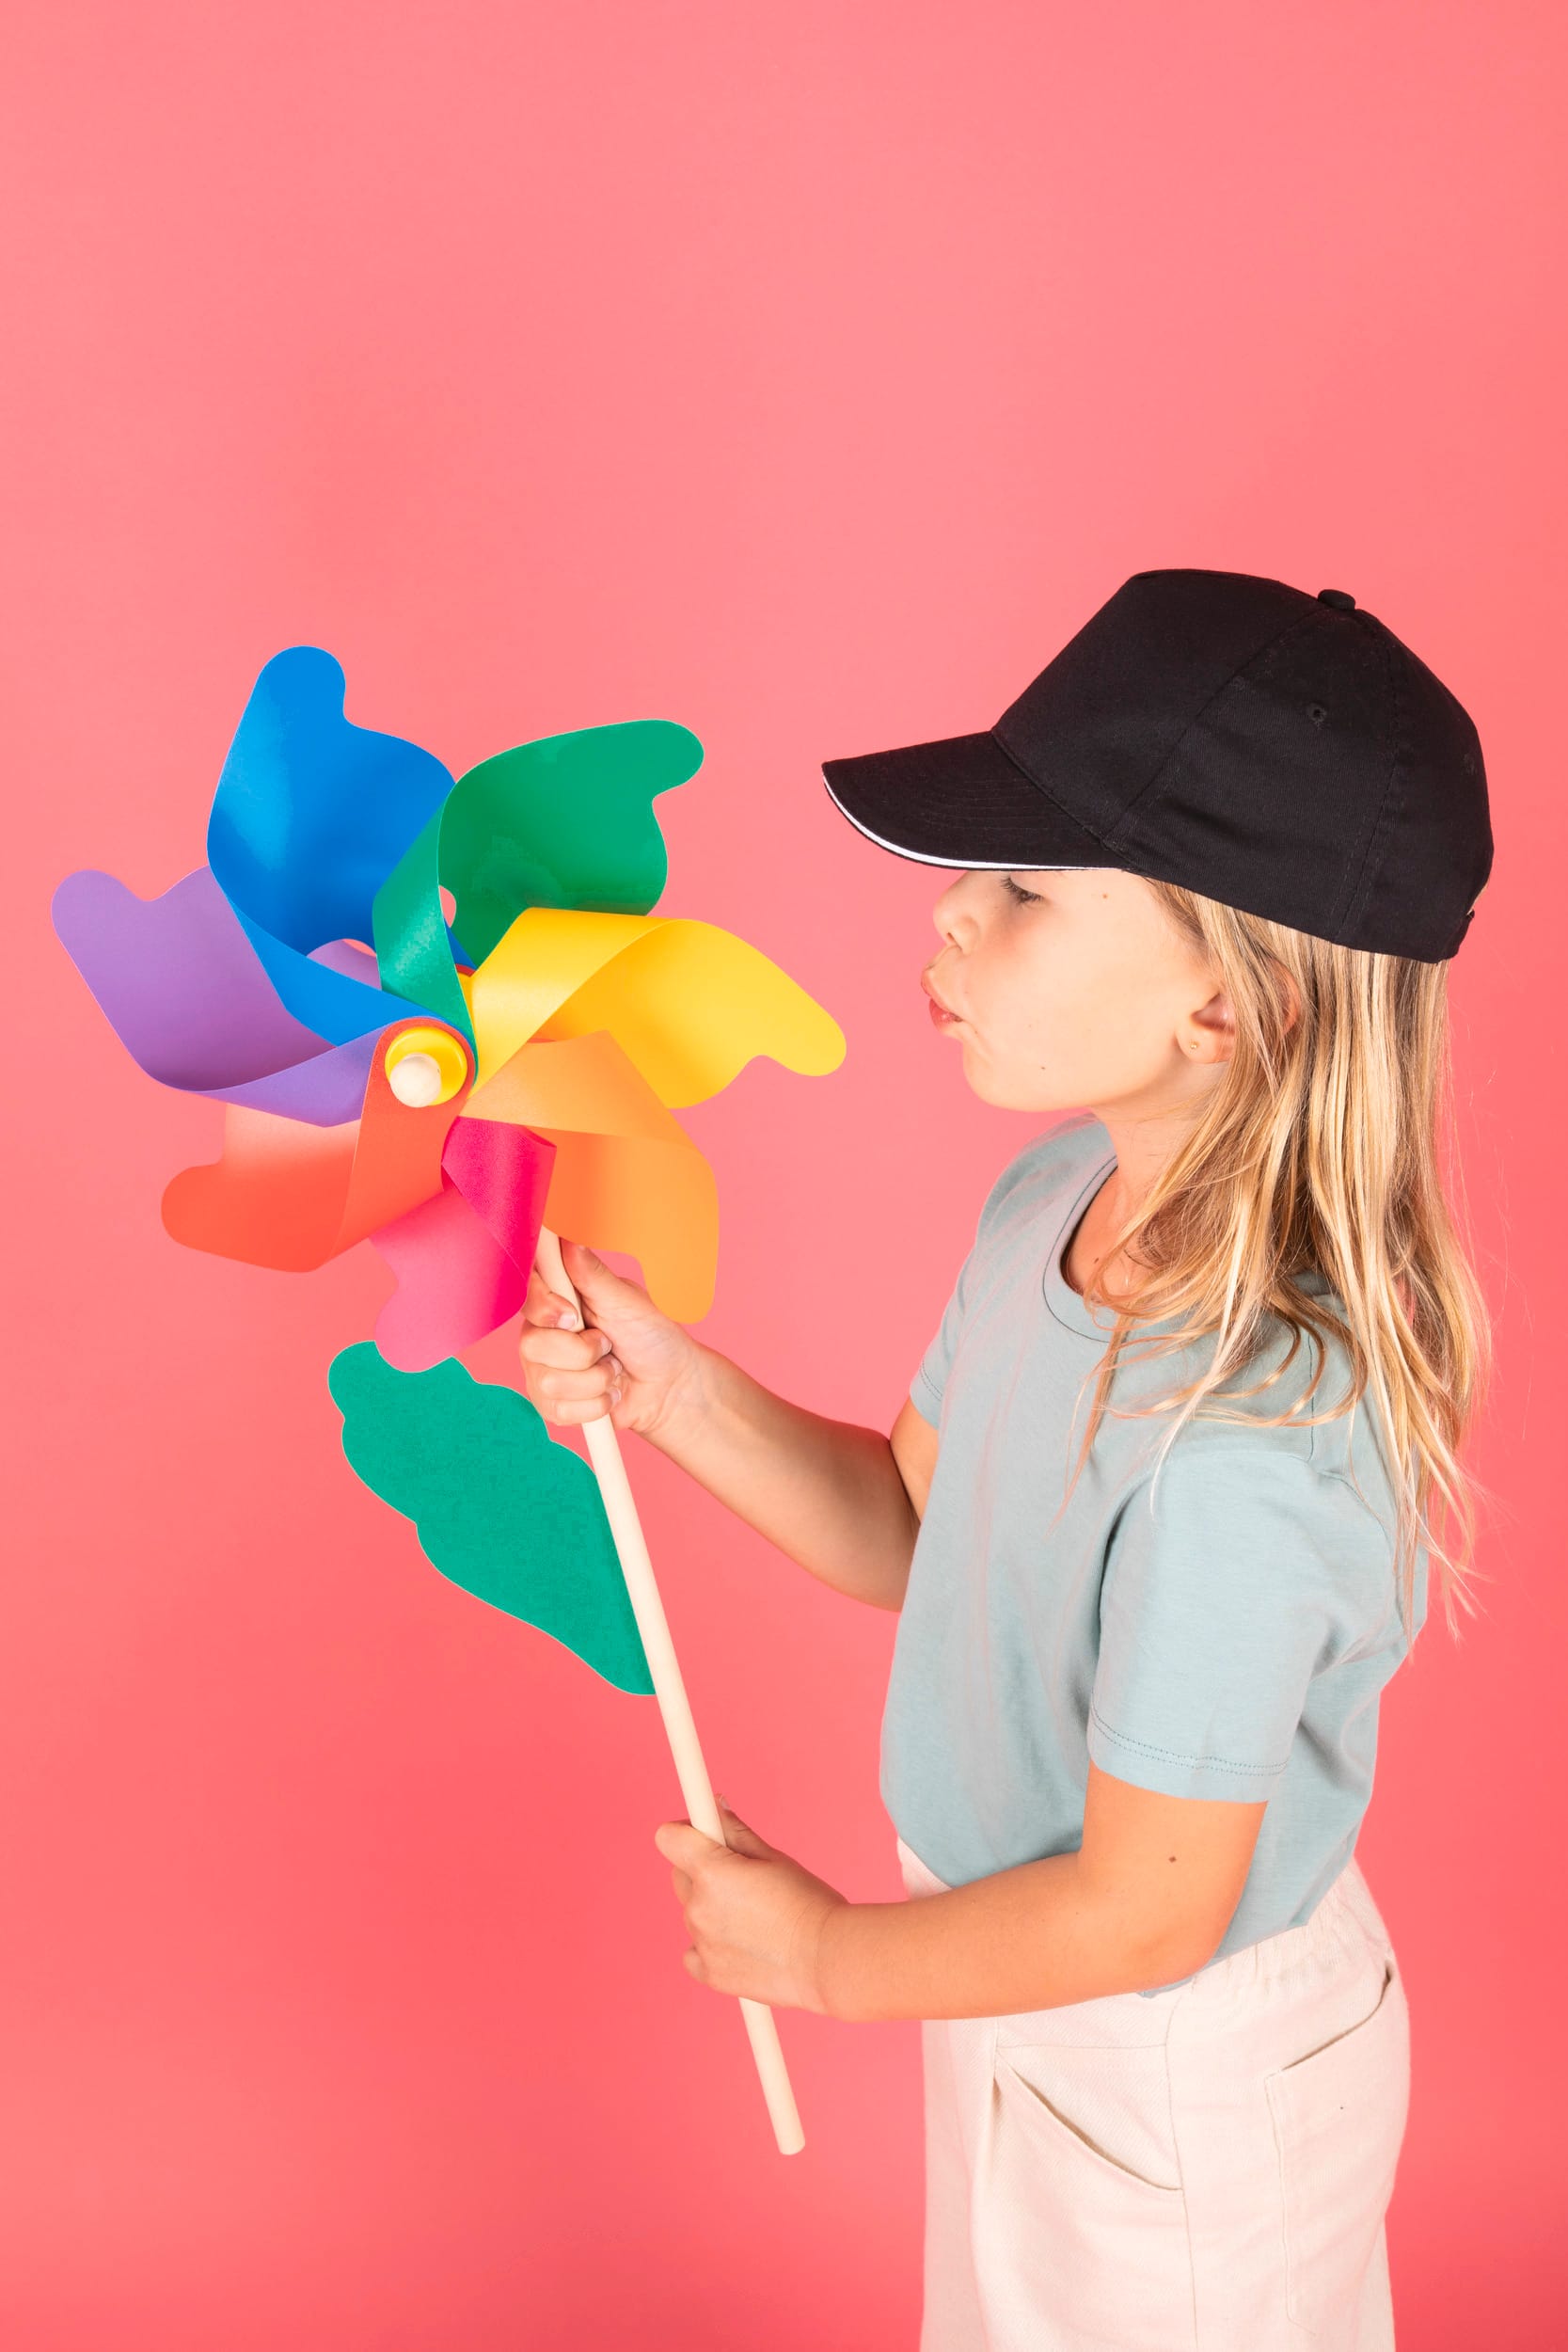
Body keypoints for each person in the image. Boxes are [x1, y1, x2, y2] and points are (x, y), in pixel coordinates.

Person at [516, 569, 1496, 2350]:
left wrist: (822, 1962)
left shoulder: (1247, 1431)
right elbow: (915, 1521)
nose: (951, 923)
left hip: (1173, 2069)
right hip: (1003, 1979)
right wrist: (674, 1395)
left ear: (1233, 1008)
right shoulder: (1055, 1199)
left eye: (1028, 890)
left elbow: (1142, 1912)